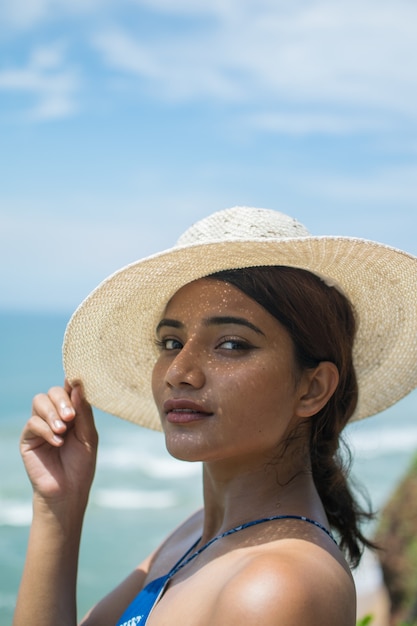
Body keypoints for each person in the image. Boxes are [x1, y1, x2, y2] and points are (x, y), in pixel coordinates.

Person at [13, 207, 417, 626]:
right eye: (171, 341)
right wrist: (58, 505)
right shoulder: (198, 537)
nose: (179, 372)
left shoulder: (275, 587)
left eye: (230, 345)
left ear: (312, 388)